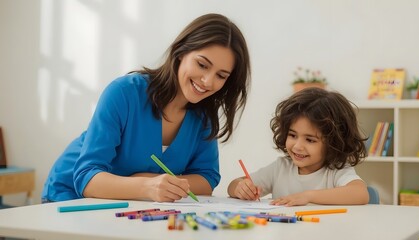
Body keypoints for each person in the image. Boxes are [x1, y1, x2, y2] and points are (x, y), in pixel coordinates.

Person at [42, 13, 251, 203]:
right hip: (69, 197)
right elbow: (86, 178)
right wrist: (146, 186)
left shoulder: (203, 117)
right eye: (202, 65)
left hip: (127, 206)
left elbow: (207, 179)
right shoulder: (124, 93)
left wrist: (151, 180)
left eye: (221, 76)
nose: (207, 81)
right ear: (181, 52)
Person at [227, 88, 369, 206]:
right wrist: (240, 187)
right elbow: (233, 185)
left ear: (334, 143)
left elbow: (360, 193)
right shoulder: (280, 168)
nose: (298, 146)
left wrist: (307, 196)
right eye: (293, 135)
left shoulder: (336, 171)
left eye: (310, 140)